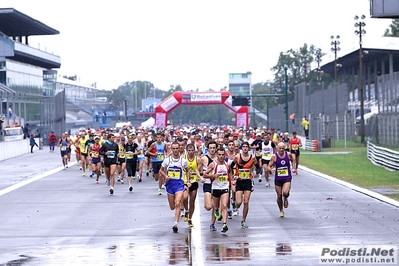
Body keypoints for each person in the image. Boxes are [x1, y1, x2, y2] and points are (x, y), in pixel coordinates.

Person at [159, 142, 190, 233]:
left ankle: (175, 223)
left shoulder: (183, 161)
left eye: (177, 148)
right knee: (172, 206)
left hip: (179, 184)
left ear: (179, 149)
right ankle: (176, 218)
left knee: (178, 203)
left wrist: (187, 181)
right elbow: (161, 170)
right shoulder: (167, 160)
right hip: (170, 184)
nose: (176, 150)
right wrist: (165, 176)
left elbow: (187, 171)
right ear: (171, 150)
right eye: (174, 149)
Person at [231, 141, 260, 228]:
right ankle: (235, 204)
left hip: (248, 181)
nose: (245, 148)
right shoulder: (237, 157)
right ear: (241, 148)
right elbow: (231, 167)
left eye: (246, 147)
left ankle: (243, 220)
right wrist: (234, 175)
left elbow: (258, 168)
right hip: (239, 181)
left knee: (246, 202)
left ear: (249, 148)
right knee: (239, 202)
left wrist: (255, 172)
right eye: (243, 147)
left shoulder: (253, 158)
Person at [204, 148, 231, 233]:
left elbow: (229, 173)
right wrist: (213, 176)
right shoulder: (213, 164)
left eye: (223, 155)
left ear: (225, 155)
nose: (221, 156)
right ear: (217, 155)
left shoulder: (227, 164)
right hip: (215, 188)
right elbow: (205, 174)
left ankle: (224, 224)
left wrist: (232, 180)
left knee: (224, 205)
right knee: (215, 207)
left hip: (225, 187)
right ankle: (214, 217)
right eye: (219, 155)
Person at [267, 142, 296, 218]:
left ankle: (286, 198)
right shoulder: (274, 156)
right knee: (279, 195)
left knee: (285, 192)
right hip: (278, 178)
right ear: (277, 148)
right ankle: (281, 210)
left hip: (287, 177)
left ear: (285, 148)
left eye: (283, 148)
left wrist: (293, 168)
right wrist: (271, 169)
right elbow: (268, 166)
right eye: (280, 148)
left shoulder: (288, 154)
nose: (281, 150)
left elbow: (293, 160)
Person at [182, 143, 202, 228]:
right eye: (189, 150)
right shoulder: (183, 158)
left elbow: (200, 171)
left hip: (194, 181)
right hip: (185, 181)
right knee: (185, 197)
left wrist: (195, 174)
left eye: (192, 150)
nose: (190, 152)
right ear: (187, 151)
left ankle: (190, 219)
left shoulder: (198, 159)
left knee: (192, 201)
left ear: (194, 151)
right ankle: (186, 210)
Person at [200, 140, 218, 231]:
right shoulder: (203, 159)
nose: (212, 150)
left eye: (214, 148)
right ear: (207, 149)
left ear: (216, 148)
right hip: (207, 183)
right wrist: (201, 177)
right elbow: (198, 170)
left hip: (217, 184)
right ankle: (207, 204)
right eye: (210, 148)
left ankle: (212, 224)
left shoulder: (220, 159)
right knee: (208, 207)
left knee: (215, 205)